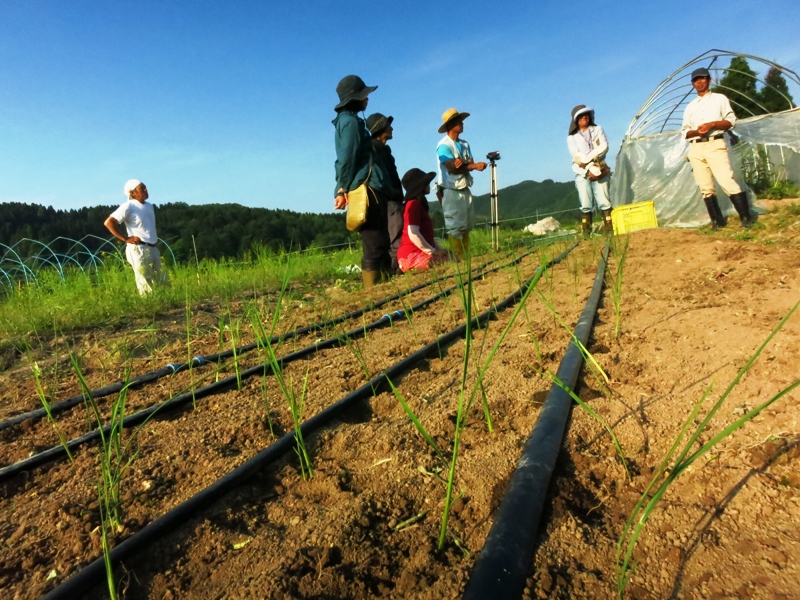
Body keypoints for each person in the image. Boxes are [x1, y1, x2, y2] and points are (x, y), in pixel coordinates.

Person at [332, 75, 391, 288]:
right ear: (354, 98)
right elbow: (347, 158)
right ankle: (372, 290)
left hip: (370, 185)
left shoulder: (350, 121)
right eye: (364, 95)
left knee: (380, 238)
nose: (367, 99)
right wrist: (342, 189)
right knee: (374, 239)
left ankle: (385, 286)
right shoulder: (349, 123)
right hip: (366, 187)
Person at [681, 67, 755, 229]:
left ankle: (746, 217)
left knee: (726, 180)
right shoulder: (690, 106)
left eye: (702, 78)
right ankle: (717, 221)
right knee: (705, 187)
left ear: (709, 80)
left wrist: (713, 124)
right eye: (695, 80)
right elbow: (685, 131)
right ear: (692, 84)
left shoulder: (719, 99)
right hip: (696, 147)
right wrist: (697, 131)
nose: (699, 82)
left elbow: (730, 121)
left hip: (715, 143)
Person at [436, 108, 487, 258]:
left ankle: (465, 255)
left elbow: (466, 163)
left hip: (463, 186)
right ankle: (457, 257)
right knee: (455, 225)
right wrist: (472, 165)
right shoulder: (443, 145)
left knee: (466, 223)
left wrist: (466, 164)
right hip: (451, 189)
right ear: (451, 124)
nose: (462, 123)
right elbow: (452, 166)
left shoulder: (464, 144)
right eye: (458, 121)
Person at [104, 180, 170, 295]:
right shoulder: (128, 206)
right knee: (145, 280)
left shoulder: (149, 206)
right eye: (142, 188)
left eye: (145, 188)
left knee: (162, 279)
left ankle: (166, 302)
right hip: (139, 248)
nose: (146, 190)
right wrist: (126, 238)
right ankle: (149, 305)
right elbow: (109, 222)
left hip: (153, 247)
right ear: (132, 192)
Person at [366, 112, 404, 274]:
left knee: (393, 236)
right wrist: (392, 193)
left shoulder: (382, 149)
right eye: (388, 125)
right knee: (395, 237)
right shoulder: (374, 149)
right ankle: (394, 271)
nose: (392, 128)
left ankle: (390, 271)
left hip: (391, 198)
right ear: (381, 128)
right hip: (389, 200)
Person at [567, 105, 613, 236]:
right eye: (580, 116)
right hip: (582, 172)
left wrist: (590, 160)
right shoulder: (572, 138)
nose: (584, 117)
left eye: (586, 115)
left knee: (604, 201)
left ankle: (609, 230)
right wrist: (589, 168)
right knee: (585, 203)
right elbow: (576, 157)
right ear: (575, 120)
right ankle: (587, 233)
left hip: (600, 169)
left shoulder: (597, 129)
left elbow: (604, 146)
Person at [397, 168, 449, 273]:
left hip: (417, 252)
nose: (429, 184)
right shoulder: (414, 204)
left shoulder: (416, 204)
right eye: (426, 183)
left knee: (449, 255)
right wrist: (433, 252)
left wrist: (439, 249)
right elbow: (413, 233)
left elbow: (426, 236)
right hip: (412, 254)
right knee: (450, 260)